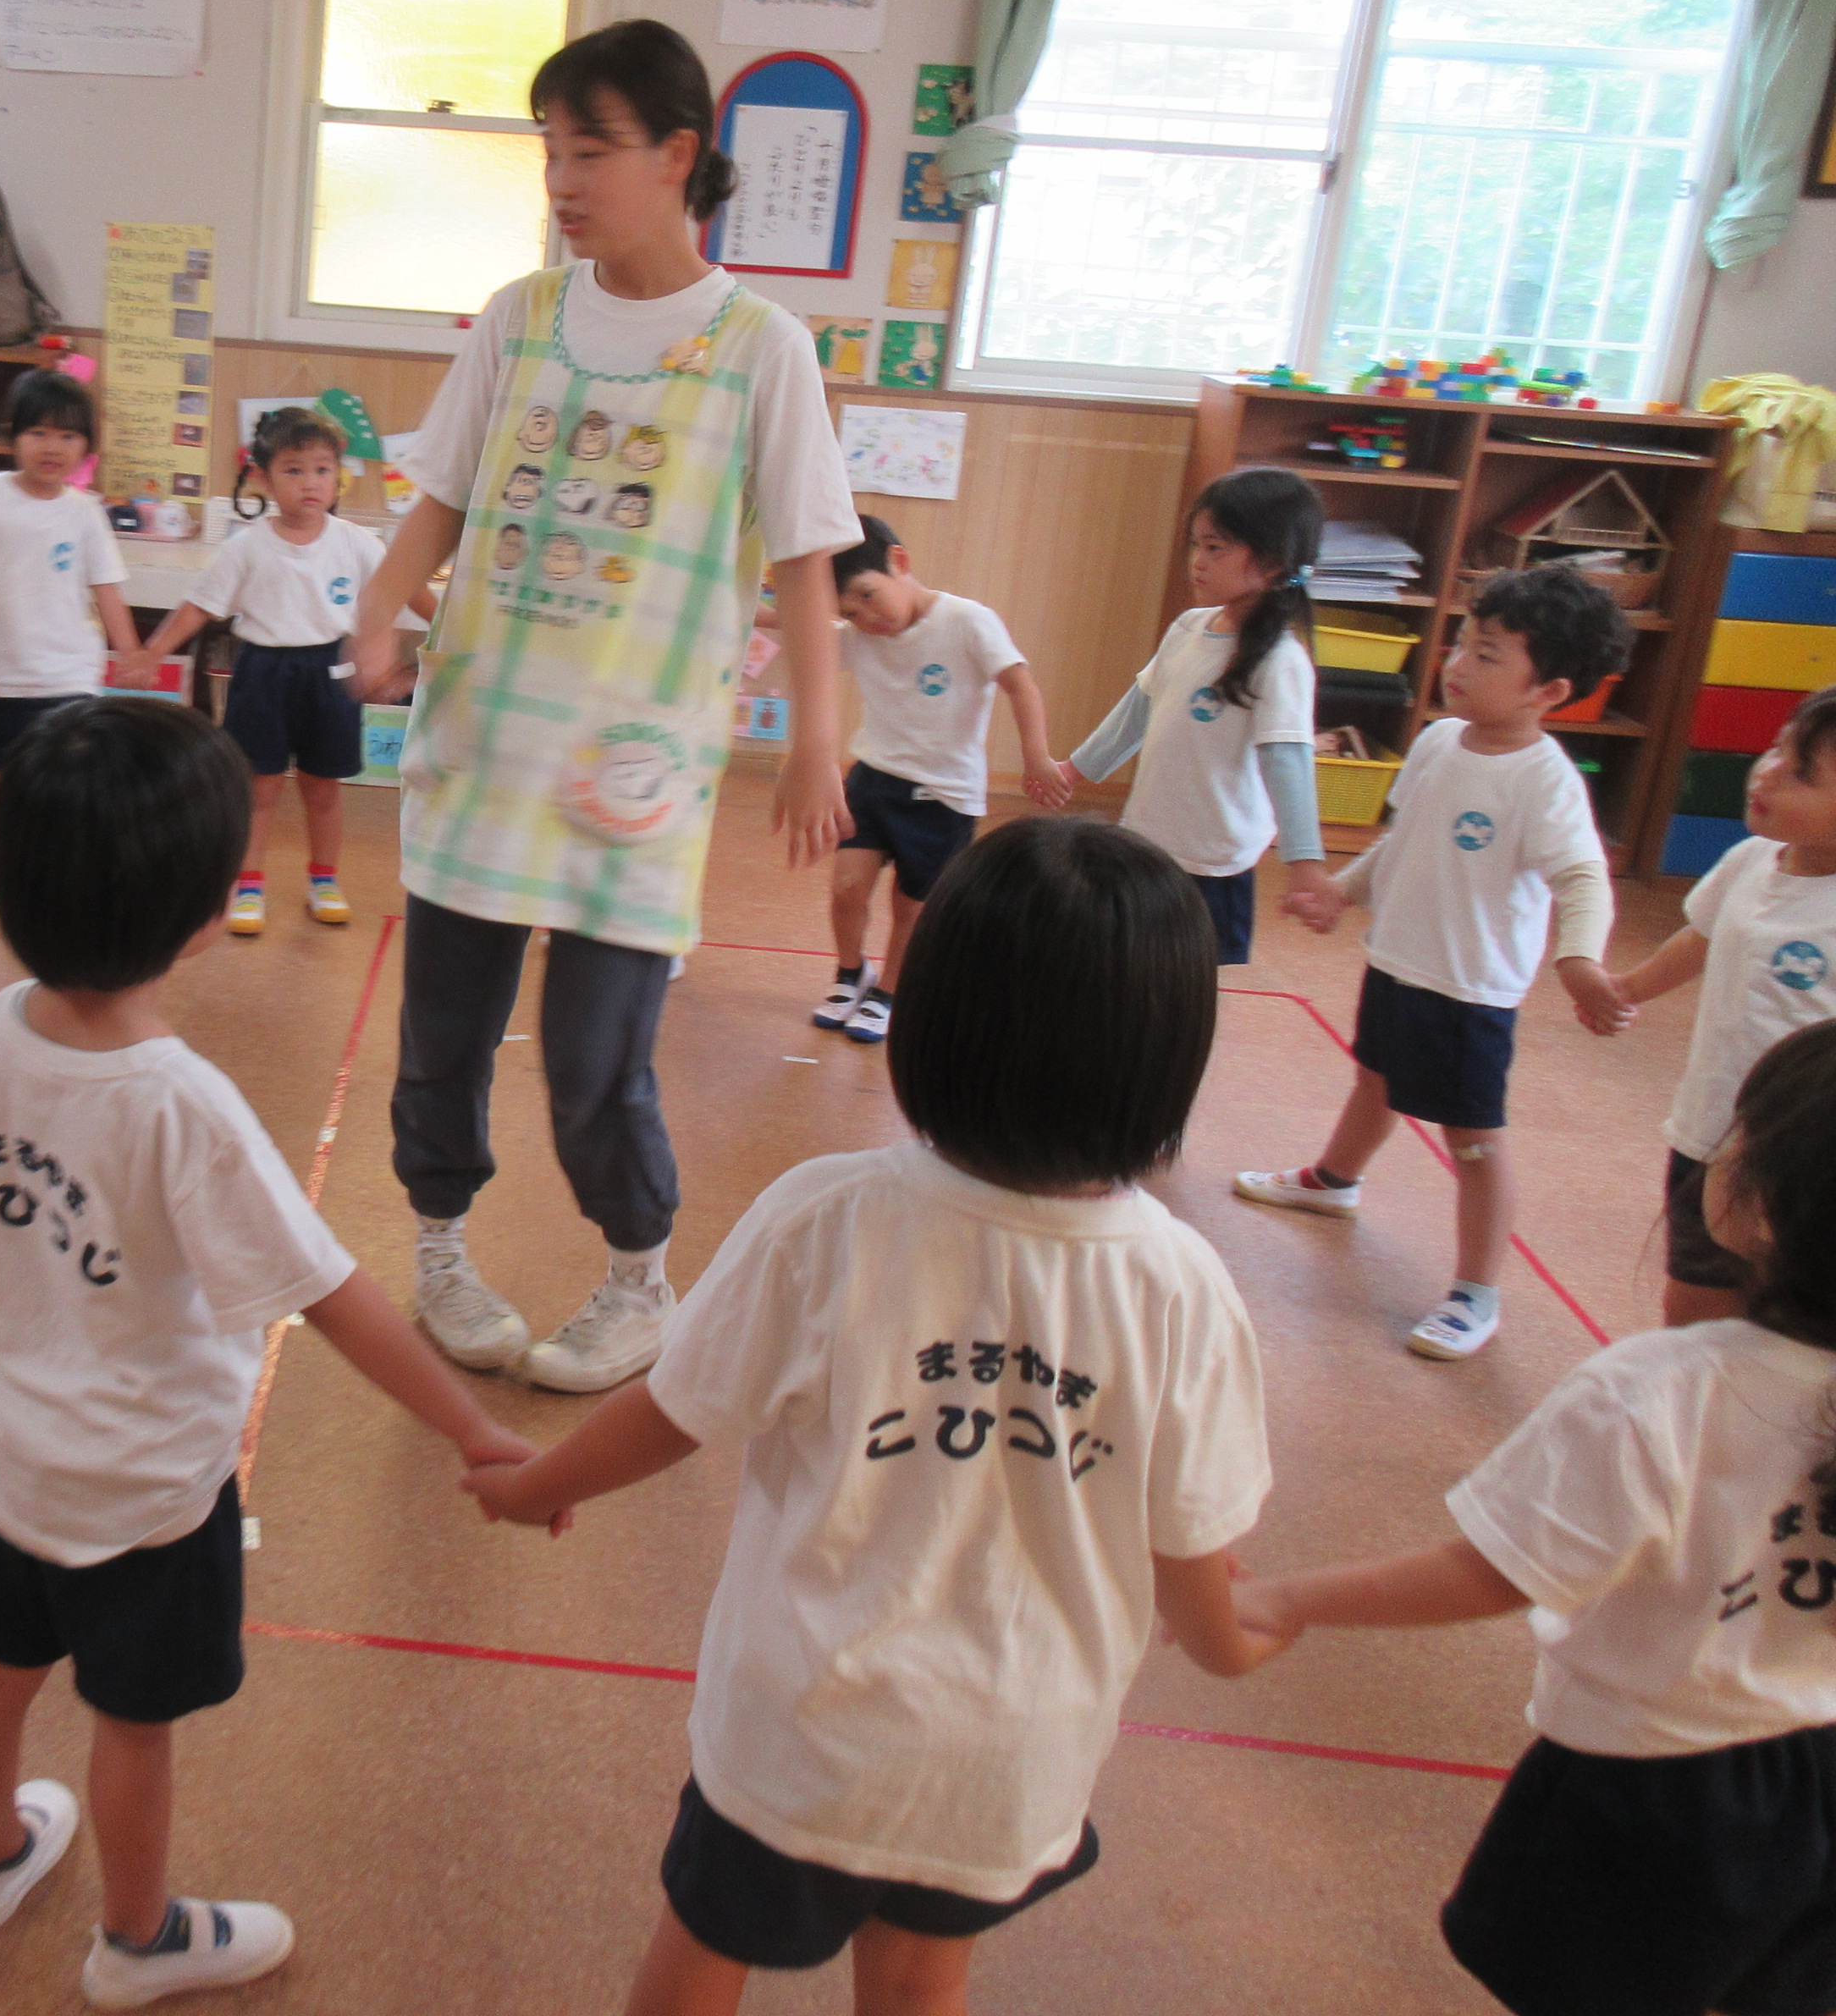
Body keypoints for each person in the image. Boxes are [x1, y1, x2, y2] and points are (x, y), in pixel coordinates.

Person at [465, 816, 1277, 2016]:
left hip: (808, 1725)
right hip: (1013, 1752)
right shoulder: (1183, 1288)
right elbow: (1193, 1548)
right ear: (1165, 1066)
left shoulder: (829, 1215)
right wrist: (1230, 1641)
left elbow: (676, 1410)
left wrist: (536, 1487)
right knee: (919, 1979)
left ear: (933, 1024)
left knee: (705, 1945)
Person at [0, 697, 538, 2006]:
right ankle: (137, 1940)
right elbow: (332, 1294)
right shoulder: (179, 1102)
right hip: (145, 1490)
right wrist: (471, 1425)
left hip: (8, 1456)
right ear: (203, 913)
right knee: (132, 1723)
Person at [350, 18, 863, 1396]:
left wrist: (817, 739)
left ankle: (640, 1279)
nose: (561, 181)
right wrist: (376, 608)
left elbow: (806, 558)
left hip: (631, 779)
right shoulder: (520, 315)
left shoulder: (760, 348)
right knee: (442, 1040)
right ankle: (441, 1251)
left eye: (591, 151)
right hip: (481, 748)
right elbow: (444, 496)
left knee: (592, 1063)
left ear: (677, 155)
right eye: (549, 151)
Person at [1233, 1019, 1836, 2016]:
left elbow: (1491, 1570)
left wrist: (1285, 1600)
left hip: (1649, 1792)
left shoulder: (1661, 1392)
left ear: (1767, 1204)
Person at [1236, 566, 1633, 1360]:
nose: (1457, 663)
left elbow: (1584, 878)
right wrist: (1343, 893)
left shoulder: (1545, 783)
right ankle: (1334, 1181)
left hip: (1469, 990)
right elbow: (1403, 841)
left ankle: (1477, 1293)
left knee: (1474, 1143)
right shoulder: (1438, 740)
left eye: (1487, 655)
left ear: (1549, 692)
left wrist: (1580, 960)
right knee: (1376, 1079)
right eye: (1461, 643)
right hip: (1398, 961)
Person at [135, 405, 425, 936]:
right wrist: (150, 653)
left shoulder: (357, 542)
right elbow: (197, 608)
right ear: (263, 478)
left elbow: (406, 588)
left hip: (330, 674)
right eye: (293, 470)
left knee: (323, 789)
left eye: (322, 469)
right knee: (259, 789)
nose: (310, 483)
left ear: (337, 475)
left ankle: (324, 880)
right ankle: (248, 886)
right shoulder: (245, 547)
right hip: (262, 675)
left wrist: (456, 630)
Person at [1603, 684, 1836, 1327]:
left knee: (1788, 1315)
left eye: (1802, 773)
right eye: (1776, 749)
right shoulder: (1749, 860)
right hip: (1709, 1127)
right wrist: (1628, 989)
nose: (1768, 773)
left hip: (1803, 1155)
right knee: (1691, 1300)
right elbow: (1702, 938)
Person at [1049, 467, 1327, 965]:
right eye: (1196, 545)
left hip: (1214, 861)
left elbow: (1288, 762)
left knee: (1189, 978)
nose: (1197, 562)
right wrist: (1076, 769)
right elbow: (1138, 708)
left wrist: (1304, 861)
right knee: (1133, 963)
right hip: (1149, 840)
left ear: (1271, 563)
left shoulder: (1281, 661)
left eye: (1215, 548)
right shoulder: (1188, 628)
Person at [818, 512, 1066, 1044]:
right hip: (873, 780)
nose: (865, 618)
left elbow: (1020, 685)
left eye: (869, 596)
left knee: (911, 906)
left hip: (943, 794)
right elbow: (788, 620)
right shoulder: (860, 636)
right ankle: (850, 972)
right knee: (846, 889)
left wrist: (1037, 757)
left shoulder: (968, 621)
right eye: (849, 611)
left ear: (900, 562)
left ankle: (888, 992)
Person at [0, 370, 142, 903]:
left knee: (67, 774)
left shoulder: (86, 513)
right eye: (38, 432)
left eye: (68, 436)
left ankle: (58, 855)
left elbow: (107, 591)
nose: (52, 447)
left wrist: (131, 652)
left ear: (86, 447)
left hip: (68, 673)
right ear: (12, 436)